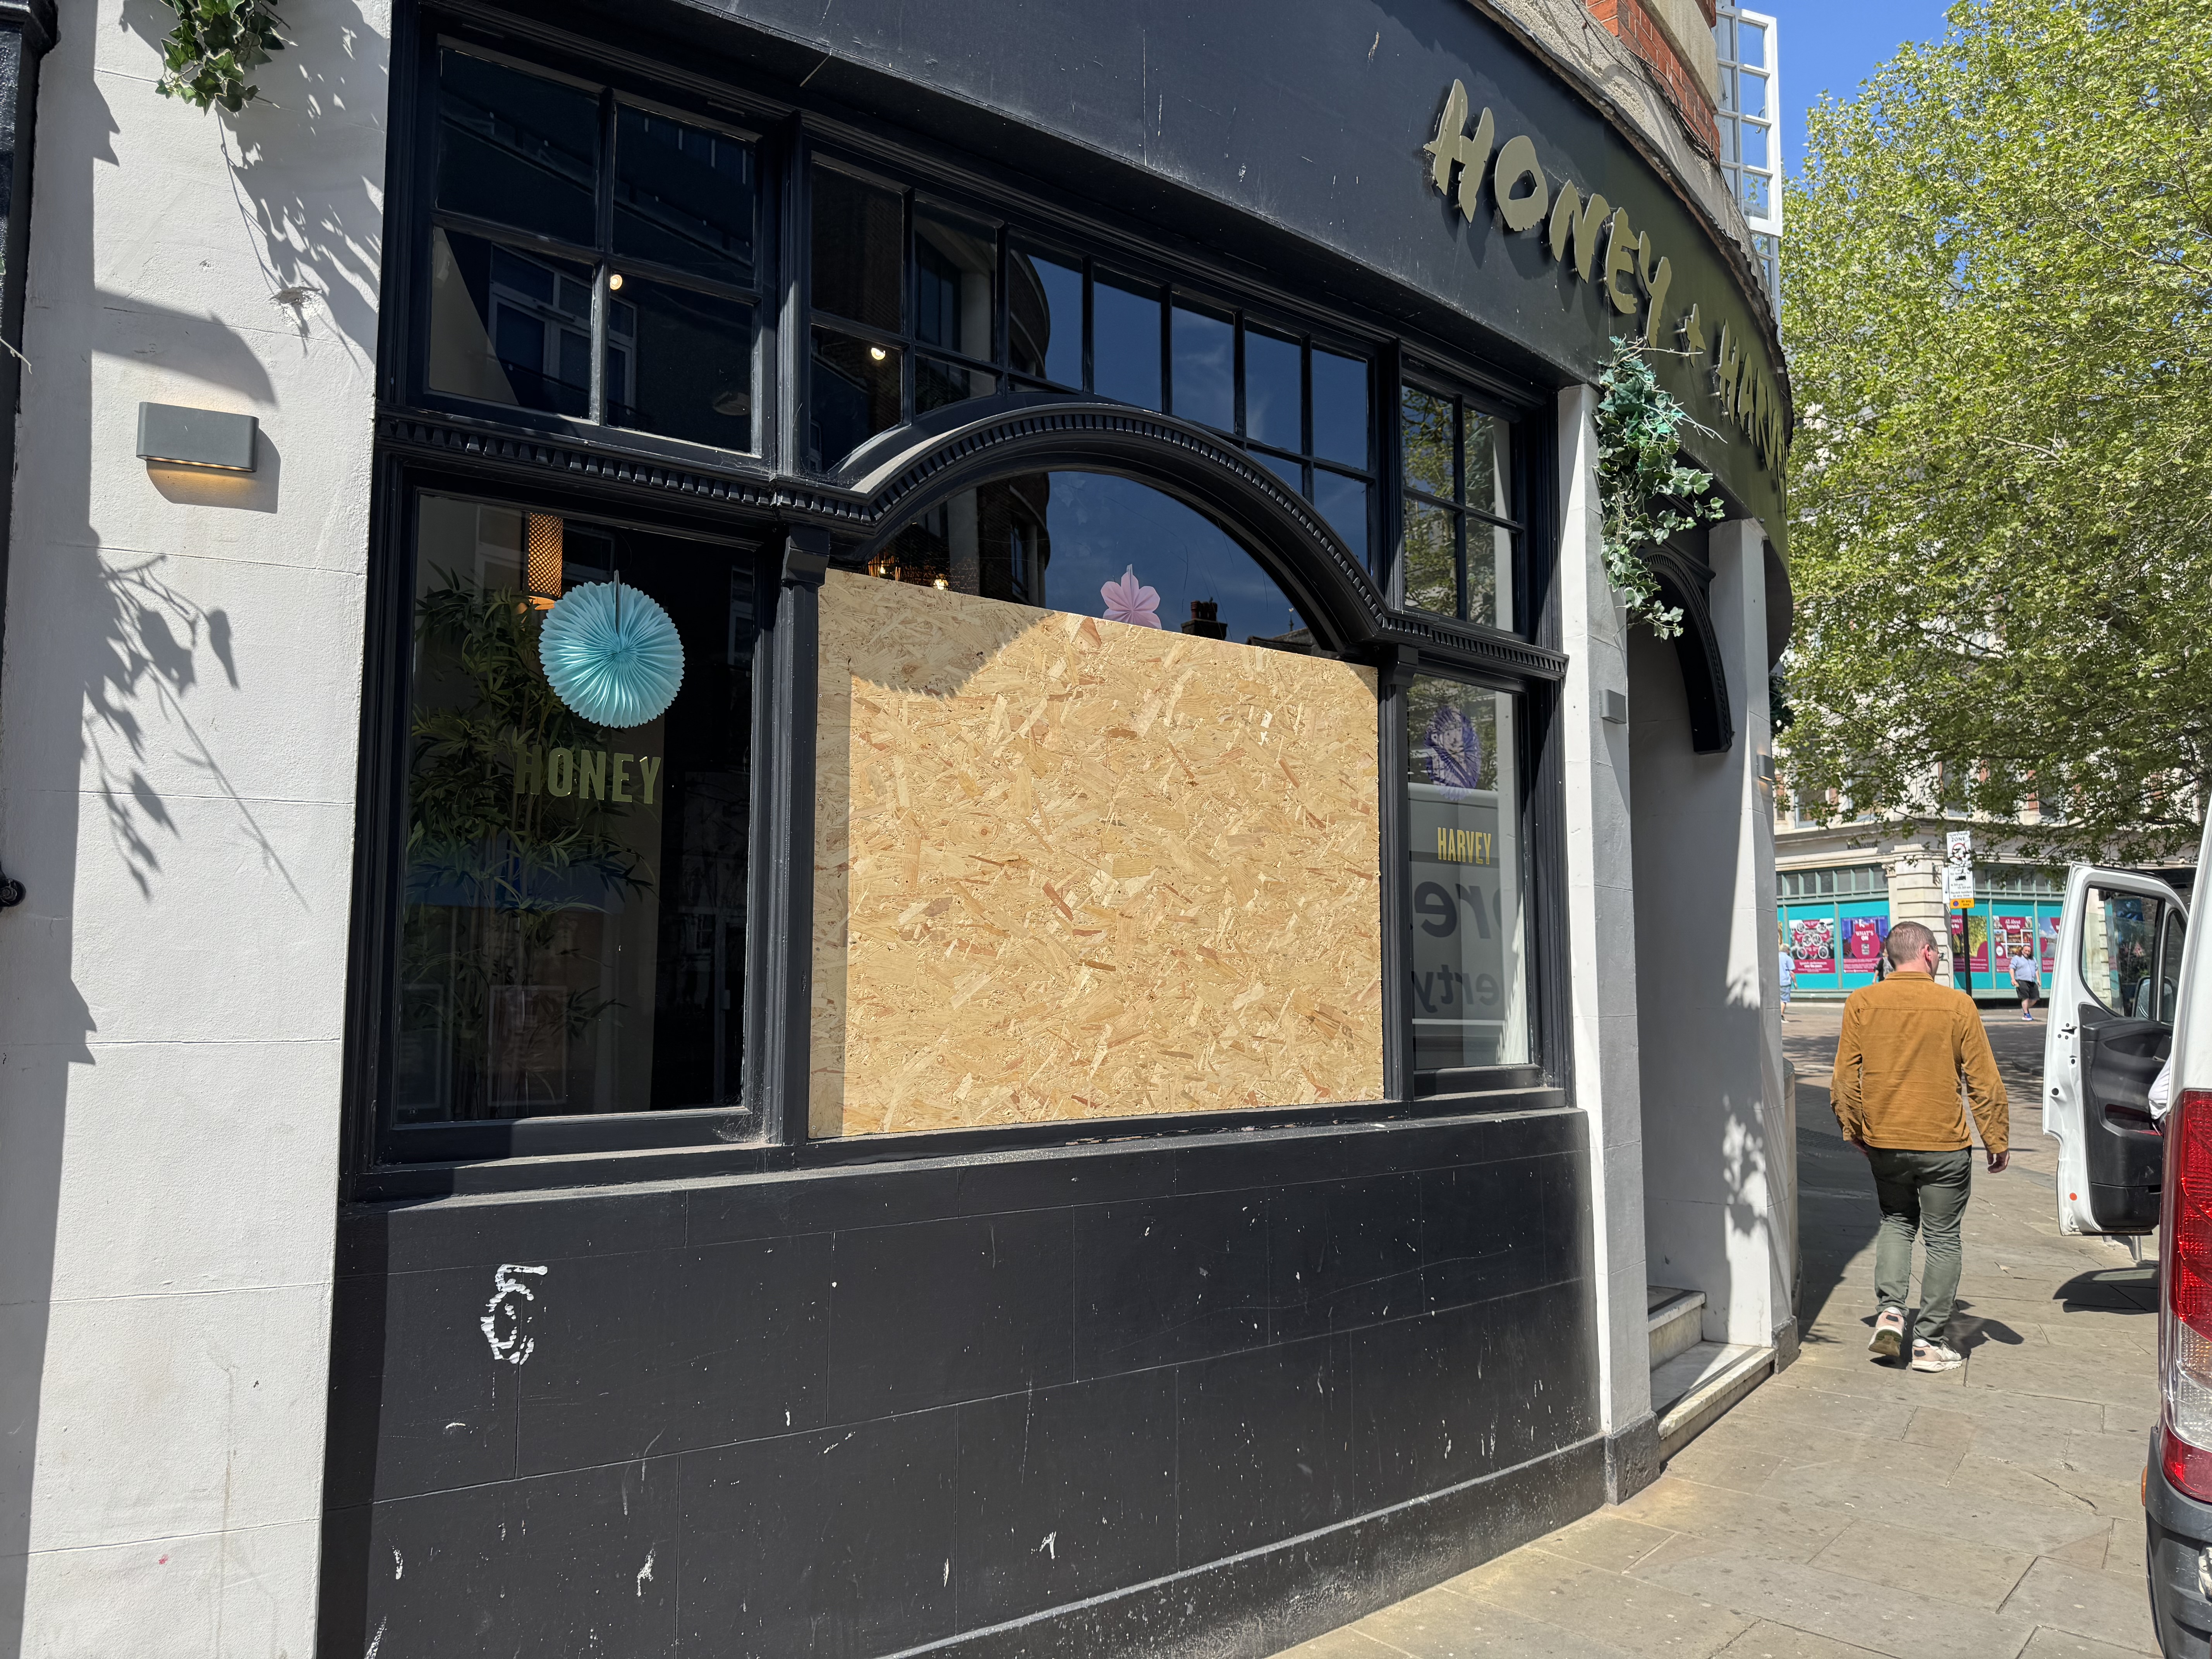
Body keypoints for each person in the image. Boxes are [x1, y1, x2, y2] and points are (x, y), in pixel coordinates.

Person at [1831, 920, 2010, 1372]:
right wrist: (1996, 1138)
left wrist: (1854, 1129)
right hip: (1943, 1144)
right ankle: (1928, 1342)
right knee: (1943, 1239)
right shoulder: (1956, 1005)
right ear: (1928, 953)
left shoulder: (1861, 1002)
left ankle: (1891, 1312)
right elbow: (1984, 1082)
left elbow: (1843, 1079)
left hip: (1886, 1142)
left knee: (1895, 1221)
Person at [2009, 946, 2039, 1021]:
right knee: (2025, 997)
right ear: (2022, 951)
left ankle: (2025, 1008)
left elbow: (2036, 970)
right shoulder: (2017, 958)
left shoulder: (2033, 959)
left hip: (2032, 981)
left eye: (2029, 951)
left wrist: (2039, 980)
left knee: (2035, 998)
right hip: (2021, 980)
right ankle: (2026, 1014)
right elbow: (2012, 968)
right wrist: (2013, 979)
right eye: (2026, 950)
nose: (2027, 952)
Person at [1778, 945, 1795, 1015]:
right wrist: (1795, 983)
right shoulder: (1788, 958)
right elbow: (1792, 973)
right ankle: (1781, 1016)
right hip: (1784, 982)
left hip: (1775, 982)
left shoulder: (1774, 957)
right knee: (1784, 1001)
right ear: (1787, 951)